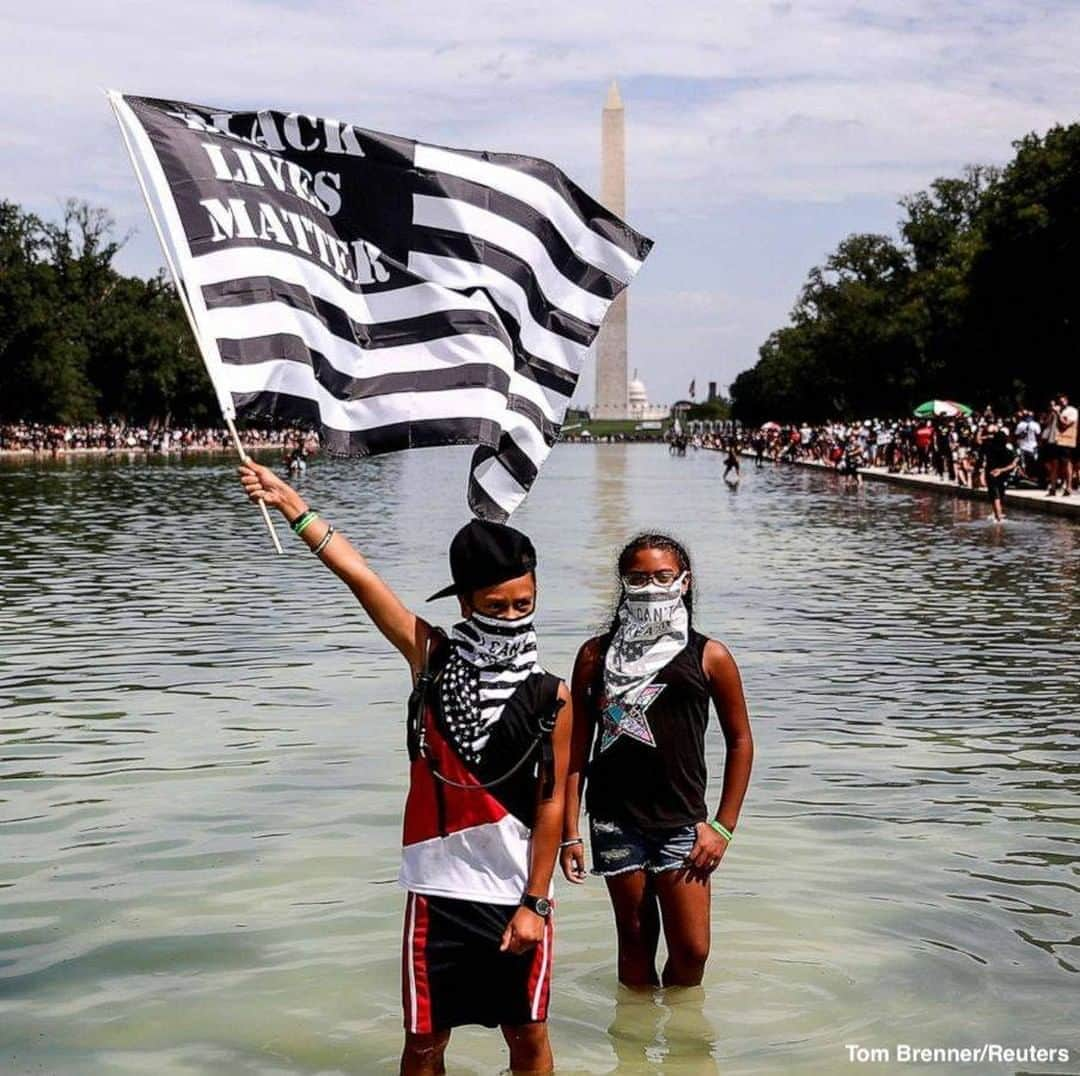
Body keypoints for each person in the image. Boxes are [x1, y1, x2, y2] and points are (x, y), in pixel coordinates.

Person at [237, 460, 572, 1076]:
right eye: (495, 606)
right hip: (436, 889)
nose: (511, 617)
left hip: (516, 894)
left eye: (524, 603)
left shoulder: (554, 695)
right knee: (423, 1044)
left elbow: (552, 801)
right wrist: (292, 505)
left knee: (527, 1041)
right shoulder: (432, 660)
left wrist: (537, 904)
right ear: (466, 602)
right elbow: (361, 579)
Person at [560, 534, 753, 989]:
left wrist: (723, 827)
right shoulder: (594, 656)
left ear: (684, 582)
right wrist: (569, 833)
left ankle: (685, 1049)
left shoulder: (710, 656)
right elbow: (574, 752)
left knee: (692, 951)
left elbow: (741, 742)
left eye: (663, 577)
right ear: (622, 585)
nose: (651, 587)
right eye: (638, 578)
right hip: (615, 819)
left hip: (683, 822)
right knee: (635, 941)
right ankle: (634, 1051)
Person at [981, 425, 1019, 522]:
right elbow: (1014, 462)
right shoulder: (1007, 449)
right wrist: (1002, 470)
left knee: (995, 495)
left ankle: (998, 517)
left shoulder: (989, 447)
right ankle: (998, 515)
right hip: (1002, 473)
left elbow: (979, 443)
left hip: (992, 473)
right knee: (1000, 494)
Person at [1046, 393, 1077, 497]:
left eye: (1062, 401)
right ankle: (1053, 487)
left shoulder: (1072, 411)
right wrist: (1051, 412)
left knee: (1067, 464)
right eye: (1059, 401)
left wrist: (1058, 413)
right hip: (1054, 441)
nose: (1060, 403)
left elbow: (1065, 424)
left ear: (1067, 401)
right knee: (1054, 465)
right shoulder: (1055, 411)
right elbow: (1047, 423)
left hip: (1066, 441)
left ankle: (1068, 487)